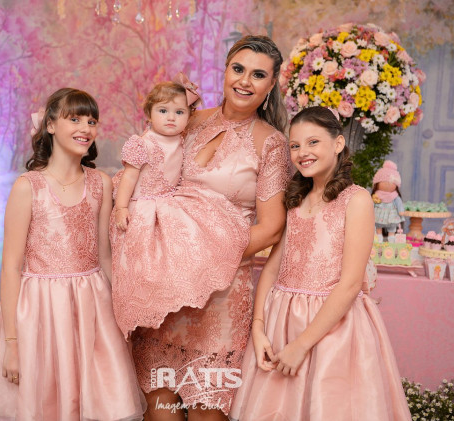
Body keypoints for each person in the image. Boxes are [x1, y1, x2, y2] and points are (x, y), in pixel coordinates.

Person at [0, 88, 145, 421]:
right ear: (51, 125)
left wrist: (124, 313)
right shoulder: (28, 187)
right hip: (38, 312)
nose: (86, 128)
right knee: (42, 400)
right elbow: (11, 268)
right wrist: (11, 343)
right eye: (75, 119)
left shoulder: (101, 183)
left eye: (92, 121)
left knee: (94, 399)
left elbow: (105, 256)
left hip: (90, 308)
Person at [130, 35, 292, 420]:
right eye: (238, 69)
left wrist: (203, 262)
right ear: (225, 71)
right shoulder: (187, 121)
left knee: (208, 411)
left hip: (221, 295)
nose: (245, 81)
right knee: (159, 409)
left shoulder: (272, 144)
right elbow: (150, 178)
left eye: (258, 75)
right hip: (166, 291)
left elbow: (271, 229)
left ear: (271, 85)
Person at [229, 106, 411, 421]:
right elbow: (272, 268)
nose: (303, 152)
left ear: (338, 144)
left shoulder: (356, 200)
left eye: (313, 142)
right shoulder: (295, 200)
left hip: (331, 329)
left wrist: (301, 345)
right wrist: (258, 327)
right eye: (295, 145)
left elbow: (350, 284)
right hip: (282, 321)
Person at [111, 75, 250, 340]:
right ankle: (145, 302)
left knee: (186, 244)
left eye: (179, 112)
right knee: (145, 261)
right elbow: (129, 177)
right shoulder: (143, 142)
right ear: (149, 114)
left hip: (168, 200)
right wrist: (121, 208)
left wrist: (190, 98)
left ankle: (178, 291)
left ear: (188, 116)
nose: (171, 118)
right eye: (163, 111)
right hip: (143, 206)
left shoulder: (180, 137)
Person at [371, 160, 405, 242]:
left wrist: (401, 211)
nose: (387, 184)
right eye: (383, 181)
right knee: (378, 226)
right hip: (378, 217)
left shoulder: (395, 196)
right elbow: (371, 205)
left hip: (391, 217)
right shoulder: (376, 196)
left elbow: (399, 204)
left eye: (390, 182)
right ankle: (379, 237)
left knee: (392, 227)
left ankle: (391, 237)